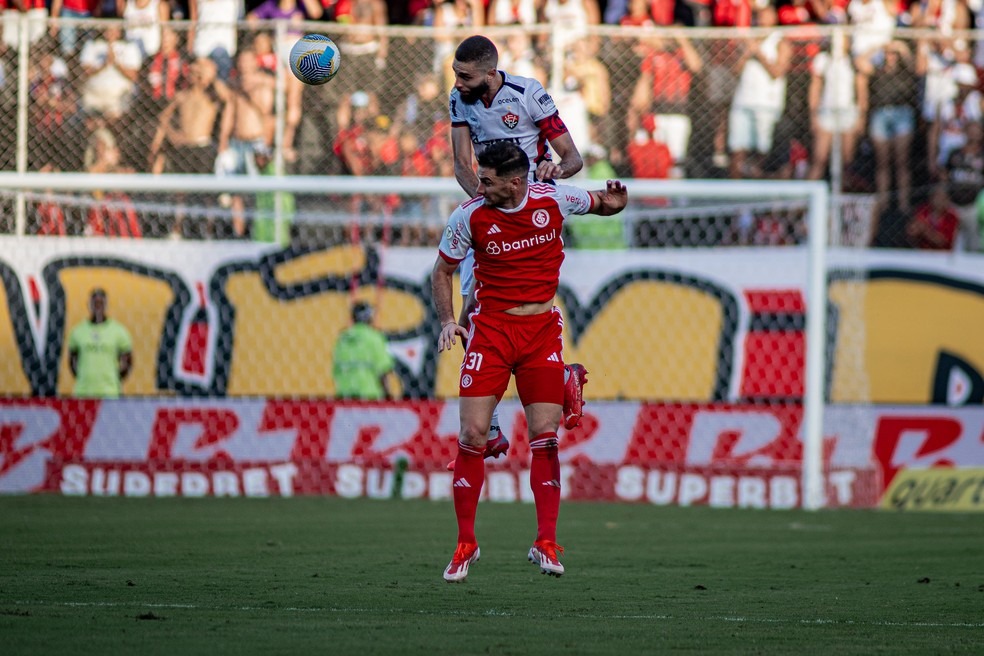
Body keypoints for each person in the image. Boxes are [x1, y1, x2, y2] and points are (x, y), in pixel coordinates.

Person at [433, 142, 627, 582]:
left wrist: (615, 202)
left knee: (546, 435)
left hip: (541, 333)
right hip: (492, 332)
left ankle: (546, 542)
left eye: (487, 179)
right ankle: (466, 543)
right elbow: (442, 269)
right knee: (472, 434)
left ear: (515, 181)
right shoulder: (469, 216)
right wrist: (448, 321)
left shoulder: (552, 198)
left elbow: (600, 203)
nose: (478, 185)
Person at [447, 34, 588, 471]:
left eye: (465, 75)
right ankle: (486, 431)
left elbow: (573, 159)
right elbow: (459, 163)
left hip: (533, 214)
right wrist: (485, 209)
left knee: (515, 305)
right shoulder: (459, 100)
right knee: (475, 306)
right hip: (493, 213)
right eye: (455, 73)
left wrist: (551, 172)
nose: (457, 81)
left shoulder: (528, 94)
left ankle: (556, 377)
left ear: (490, 72)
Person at [67, 288, 134, 398]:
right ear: (89, 305)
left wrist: (114, 378)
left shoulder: (119, 331)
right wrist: (84, 376)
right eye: (95, 303)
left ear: (106, 305)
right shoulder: (78, 331)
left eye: (101, 303)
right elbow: (72, 362)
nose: (98, 306)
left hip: (110, 393)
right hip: (83, 392)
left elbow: (128, 362)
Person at [332, 302, 395, 400]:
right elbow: (383, 370)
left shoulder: (342, 339)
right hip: (369, 395)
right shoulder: (374, 337)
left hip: (344, 394)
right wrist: (388, 394)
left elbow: (336, 369)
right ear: (370, 318)